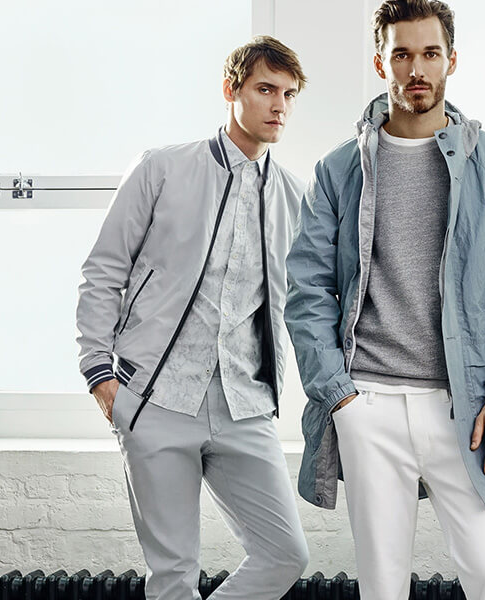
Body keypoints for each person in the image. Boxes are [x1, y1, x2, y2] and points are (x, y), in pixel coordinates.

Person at [284, 1, 485, 598]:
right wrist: (340, 397)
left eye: (430, 53)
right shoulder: (338, 169)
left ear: (452, 60)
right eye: (402, 54)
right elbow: (307, 291)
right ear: (381, 63)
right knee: (382, 588)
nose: (417, 69)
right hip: (368, 402)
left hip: (466, 405)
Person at [76, 36, 310, 600]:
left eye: (288, 94)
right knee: (174, 575)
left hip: (244, 405)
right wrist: (100, 374)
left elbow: (302, 302)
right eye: (265, 89)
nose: (279, 105)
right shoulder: (162, 169)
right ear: (231, 90)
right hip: (155, 399)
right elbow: (104, 271)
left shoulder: (292, 196)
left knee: (285, 555)